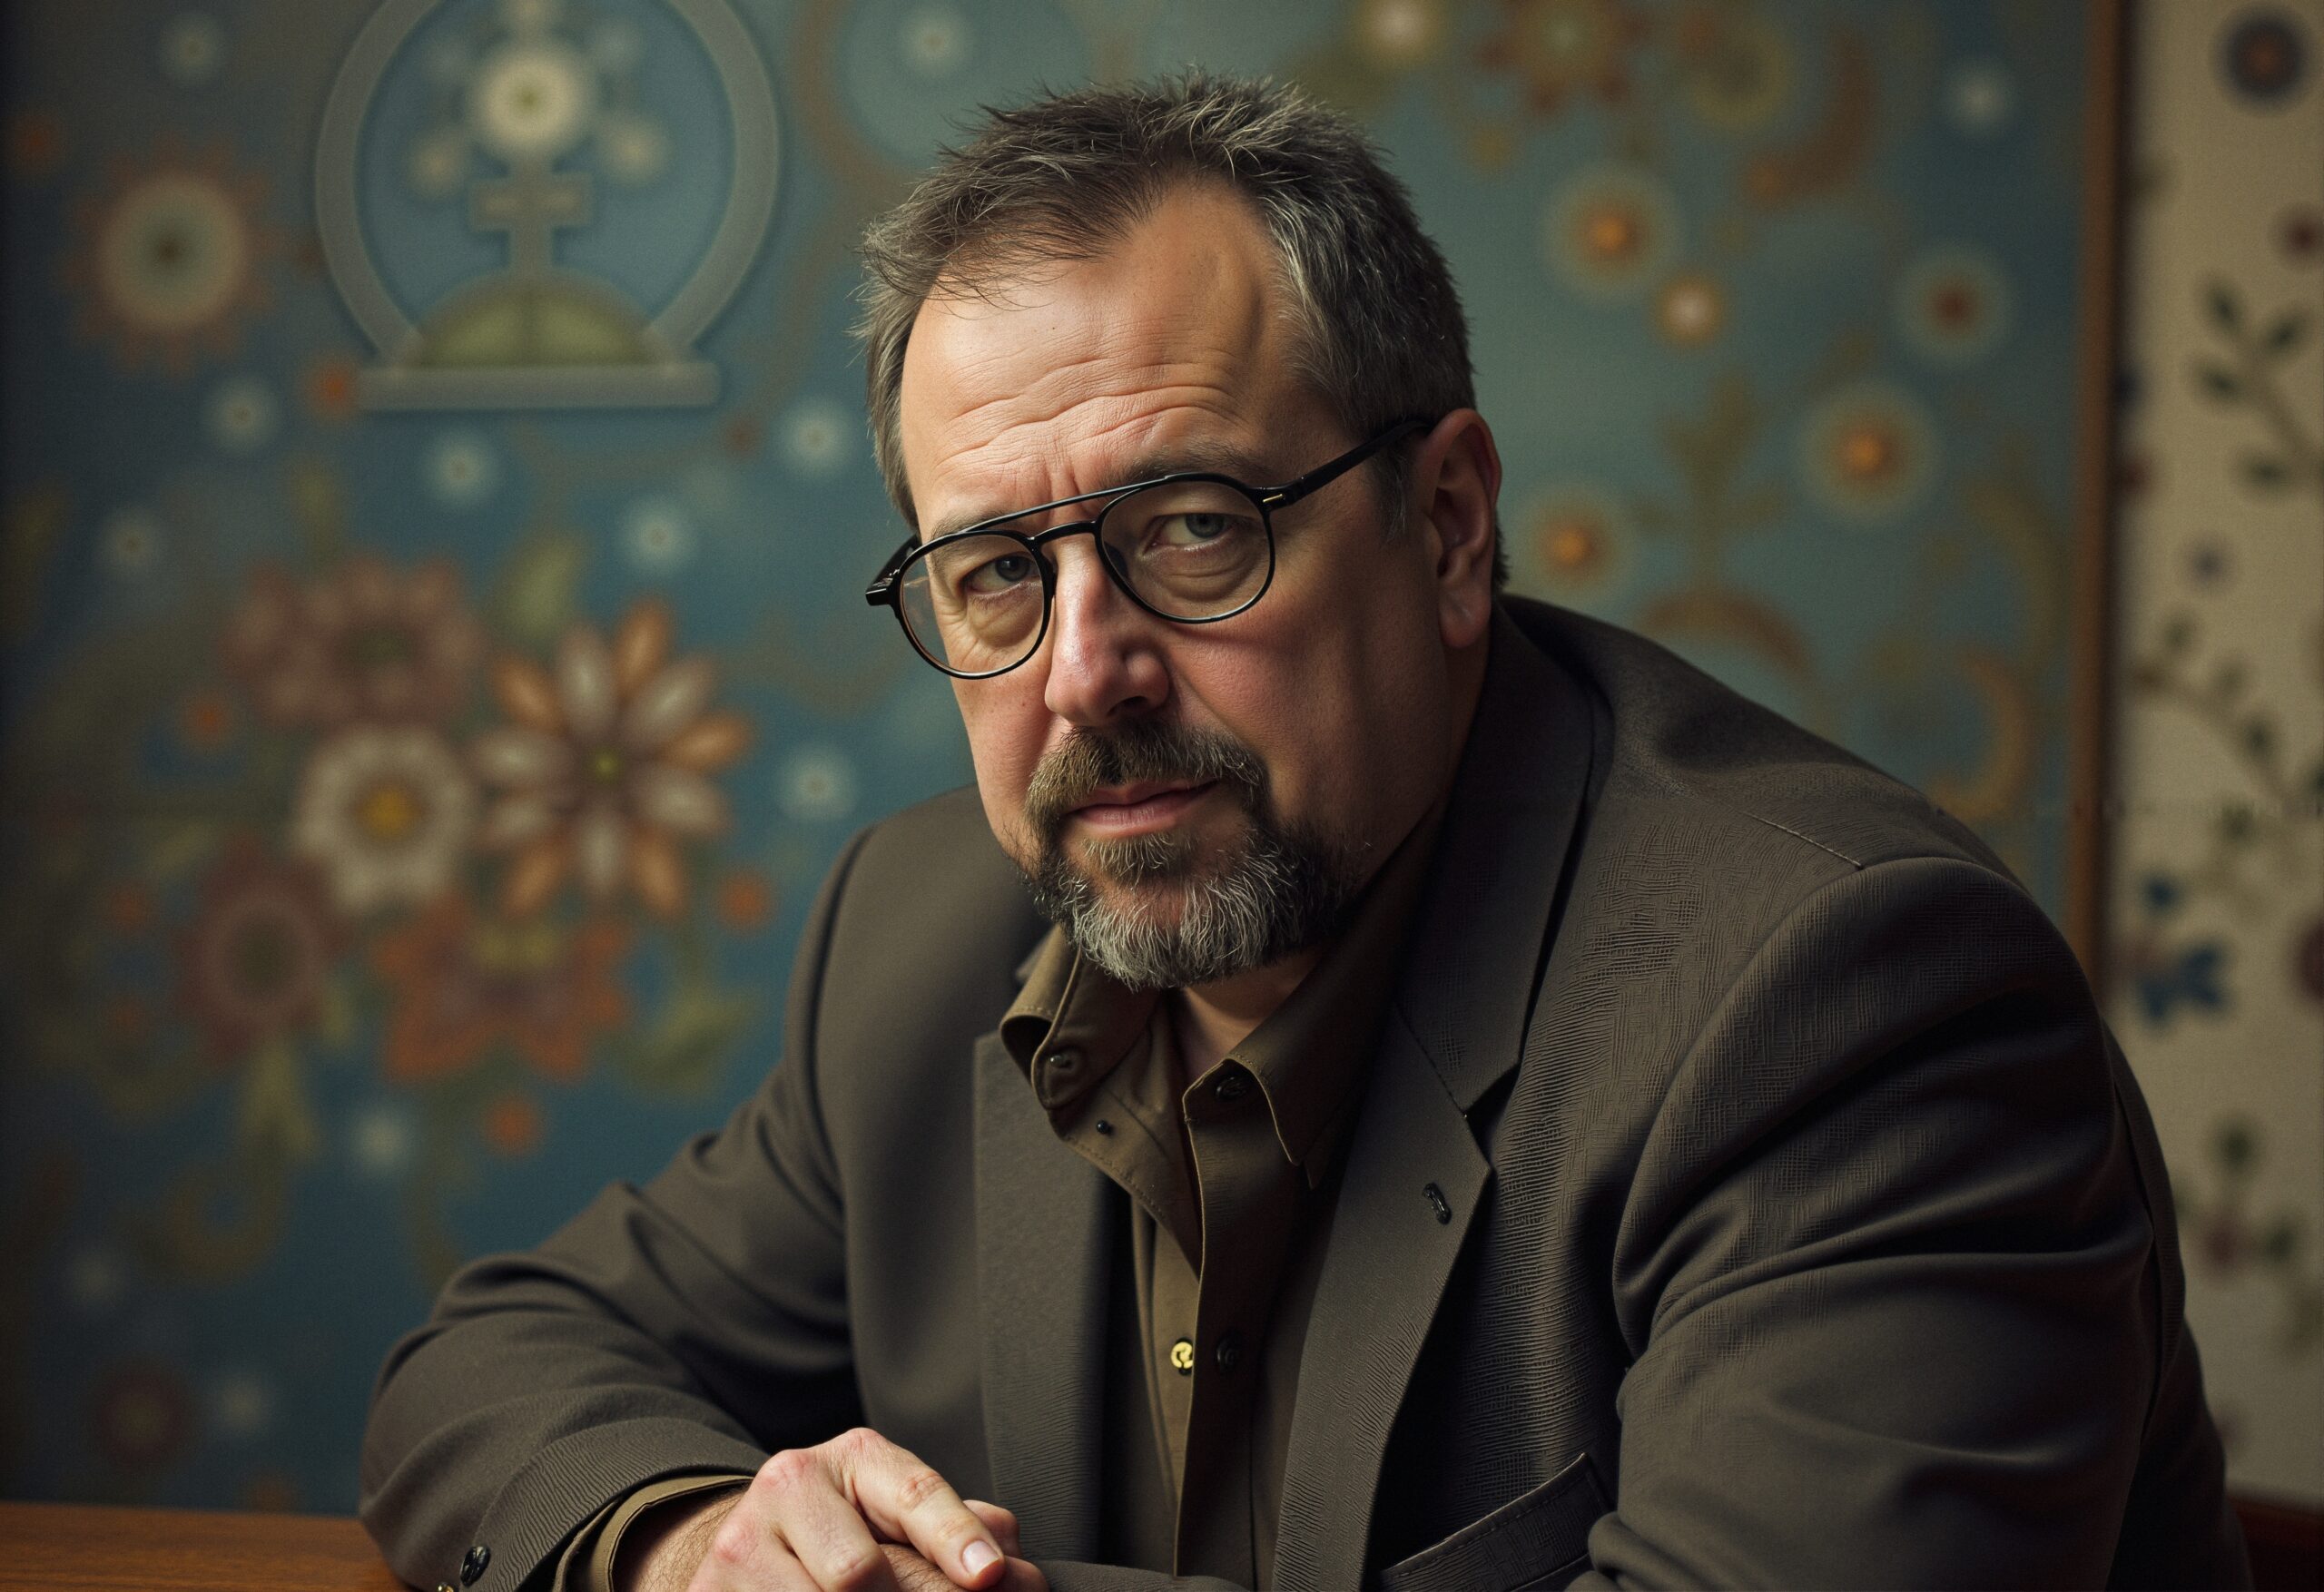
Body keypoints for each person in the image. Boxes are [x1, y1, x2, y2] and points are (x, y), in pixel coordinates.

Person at [360, 75, 2250, 1592]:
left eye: (1192, 528)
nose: (1085, 671)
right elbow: (487, 1368)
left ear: (1444, 528)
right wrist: (696, 1541)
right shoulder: (917, 941)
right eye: (993, 573)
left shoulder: (1850, 1003)